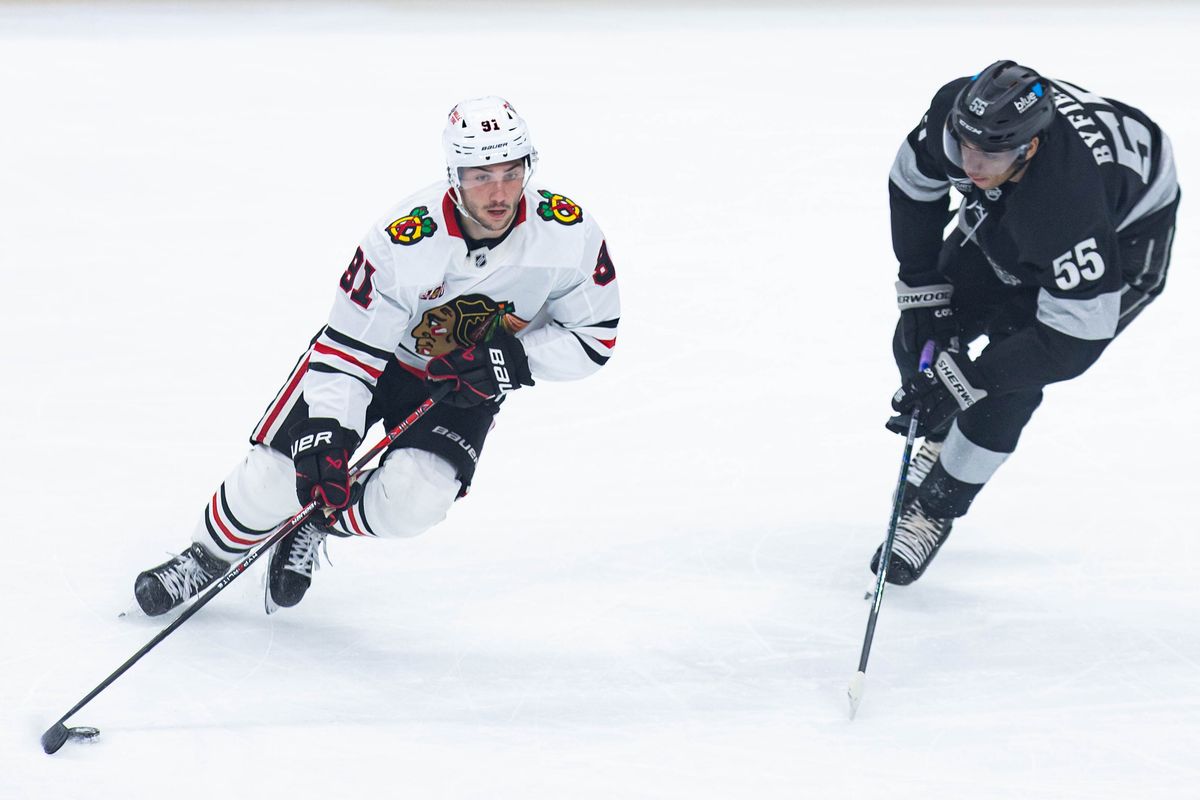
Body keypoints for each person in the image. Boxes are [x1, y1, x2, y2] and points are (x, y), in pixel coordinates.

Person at [134, 97, 621, 615]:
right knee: (279, 475)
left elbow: (594, 339)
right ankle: (204, 557)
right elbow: (348, 349)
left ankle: (320, 520)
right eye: (480, 176)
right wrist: (330, 429)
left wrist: (512, 360)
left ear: (530, 167)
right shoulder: (402, 240)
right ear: (454, 175)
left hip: (467, 383)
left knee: (415, 502)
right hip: (379, 360)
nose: (498, 192)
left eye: (510, 172)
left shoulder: (570, 235)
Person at [876, 60, 1179, 584]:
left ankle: (936, 507)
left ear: (1031, 146)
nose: (970, 163)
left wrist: (970, 381)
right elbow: (911, 187)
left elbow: (1071, 339)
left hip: (1120, 241)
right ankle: (943, 435)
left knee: (1008, 376)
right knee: (924, 333)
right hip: (1024, 202)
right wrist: (922, 290)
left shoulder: (1064, 204)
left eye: (989, 153)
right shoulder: (958, 121)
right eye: (965, 144)